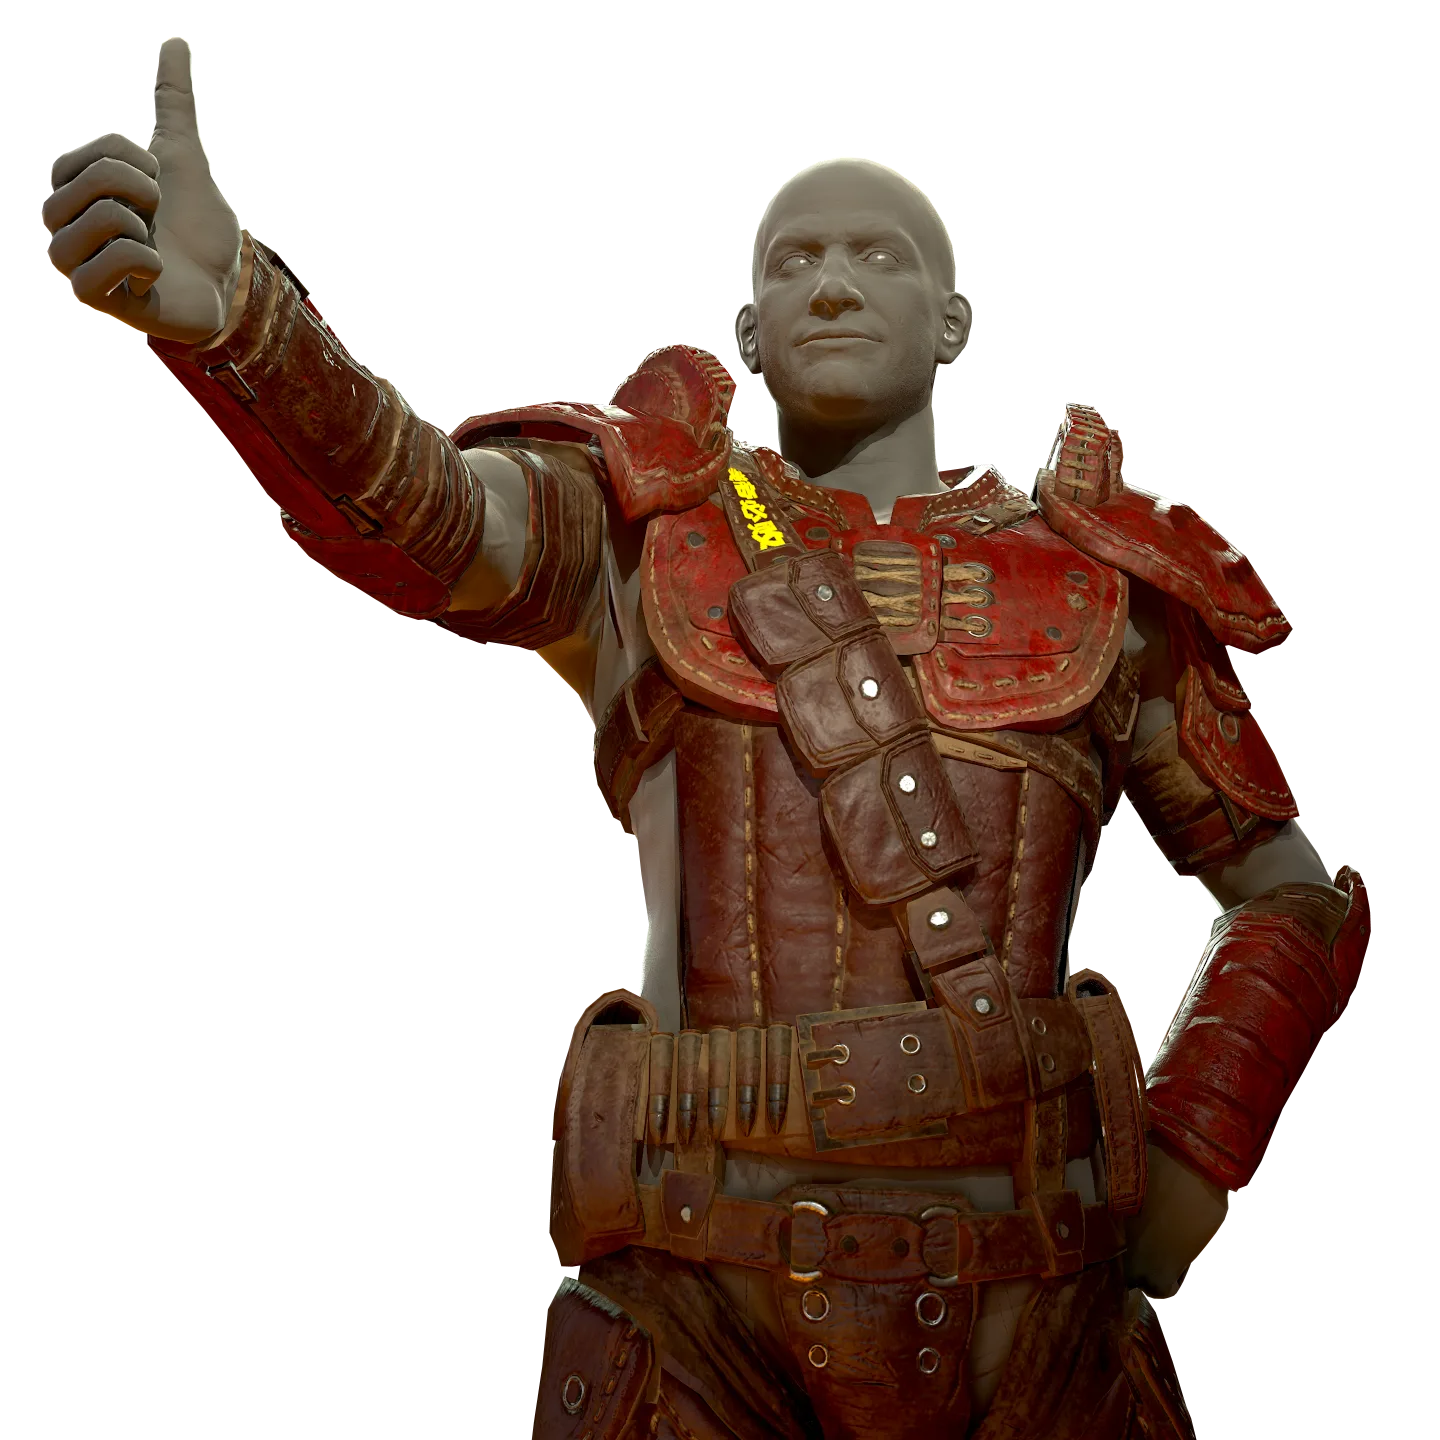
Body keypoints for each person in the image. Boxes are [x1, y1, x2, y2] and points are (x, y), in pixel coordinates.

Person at [41, 37, 1375, 1438]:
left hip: (1042, 1317)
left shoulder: (1107, 584)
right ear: (746, 327)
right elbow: (427, 514)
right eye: (795, 262)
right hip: (694, 1312)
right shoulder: (644, 534)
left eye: (879, 255)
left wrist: (1187, 1173)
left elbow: (1291, 898)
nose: (834, 282)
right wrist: (241, 324)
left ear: (956, 322)